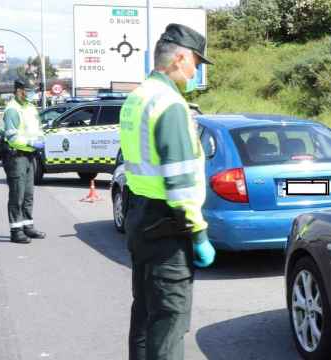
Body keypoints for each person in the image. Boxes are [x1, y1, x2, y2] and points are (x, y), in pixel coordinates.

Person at [120, 23, 216, 360]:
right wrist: (200, 233)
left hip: (139, 216)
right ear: (179, 58)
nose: (197, 70)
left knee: (145, 313)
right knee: (170, 319)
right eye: (196, 63)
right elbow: (180, 182)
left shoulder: (137, 98)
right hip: (168, 226)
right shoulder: (170, 105)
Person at [1, 80, 46, 244]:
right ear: (19, 91)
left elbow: (38, 127)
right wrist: (30, 143)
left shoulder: (31, 107)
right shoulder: (12, 109)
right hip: (16, 157)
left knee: (28, 195)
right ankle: (16, 231)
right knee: (17, 195)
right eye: (29, 90)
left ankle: (28, 226)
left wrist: (40, 139)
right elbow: (12, 137)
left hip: (30, 156)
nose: (32, 93)